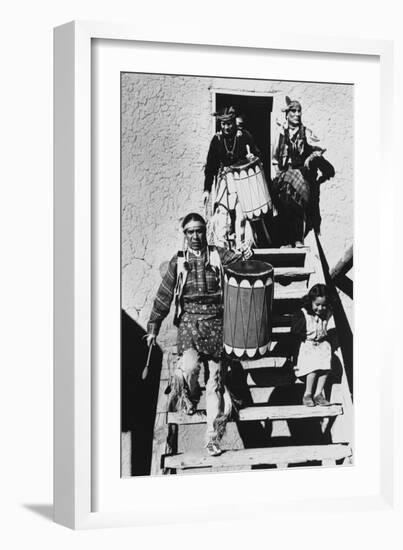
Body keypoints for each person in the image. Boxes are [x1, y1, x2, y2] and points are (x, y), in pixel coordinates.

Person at [146, 213, 252, 456]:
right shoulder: (178, 261)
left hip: (216, 322)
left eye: (199, 231)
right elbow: (164, 296)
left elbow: (240, 266)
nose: (195, 236)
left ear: (206, 232)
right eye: (190, 232)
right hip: (189, 323)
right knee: (191, 368)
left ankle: (212, 437)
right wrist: (153, 328)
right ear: (185, 234)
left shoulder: (218, 254)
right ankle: (191, 395)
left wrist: (245, 255)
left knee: (215, 383)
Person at [271, 97, 334, 247]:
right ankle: (285, 241)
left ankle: (298, 239)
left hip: (301, 174)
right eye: (293, 111)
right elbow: (275, 157)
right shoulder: (281, 133)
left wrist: (311, 158)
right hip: (284, 174)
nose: (297, 114)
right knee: (282, 203)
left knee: (296, 204)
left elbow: (321, 149)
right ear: (287, 114)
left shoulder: (306, 132)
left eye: (299, 111)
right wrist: (278, 173)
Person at [203, 106, 260, 249]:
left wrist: (252, 157)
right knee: (222, 214)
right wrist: (206, 189)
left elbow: (258, 155)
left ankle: (243, 248)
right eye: (223, 124)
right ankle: (221, 249)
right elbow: (210, 167)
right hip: (224, 181)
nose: (226, 127)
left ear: (234, 122)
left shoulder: (244, 136)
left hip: (242, 181)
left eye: (229, 123)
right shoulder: (216, 140)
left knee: (241, 215)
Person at [291, 284, 335, 407]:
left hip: (321, 344)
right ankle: (308, 394)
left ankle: (318, 394)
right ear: (310, 301)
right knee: (314, 364)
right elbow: (295, 335)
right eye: (317, 305)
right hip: (307, 345)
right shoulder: (303, 315)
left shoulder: (327, 313)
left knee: (326, 361)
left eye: (324, 305)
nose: (321, 308)